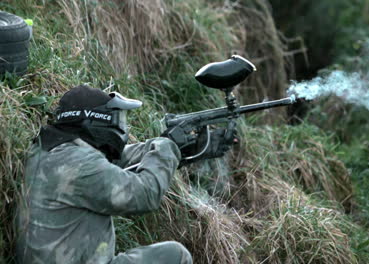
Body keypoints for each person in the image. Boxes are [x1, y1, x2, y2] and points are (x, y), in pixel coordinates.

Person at [15, 85, 236, 264]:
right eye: (116, 120)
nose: (122, 129)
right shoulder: (81, 165)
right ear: (95, 122)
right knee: (174, 256)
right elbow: (145, 194)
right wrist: (167, 148)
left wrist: (188, 147)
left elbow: (119, 159)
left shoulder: (52, 151)